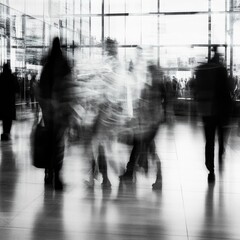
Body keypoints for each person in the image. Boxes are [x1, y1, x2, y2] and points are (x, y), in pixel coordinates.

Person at [120, 63, 163, 189]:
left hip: (150, 125)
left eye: (150, 73)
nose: (149, 76)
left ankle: (156, 176)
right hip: (147, 124)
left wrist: (145, 123)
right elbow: (142, 105)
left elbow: (151, 109)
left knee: (149, 150)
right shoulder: (148, 87)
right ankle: (131, 172)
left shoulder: (154, 89)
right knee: (141, 147)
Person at [38, 37, 72, 190]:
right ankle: (57, 178)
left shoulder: (47, 65)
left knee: (49, 142)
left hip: (48, 111)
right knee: (58, 145)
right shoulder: (64, 64)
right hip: (61, 112)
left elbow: (41, 88)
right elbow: (69, 87)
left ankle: (48, 174)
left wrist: (45, 105)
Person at [195, 48, 233, 182]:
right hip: (221, 110)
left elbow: (196, 89)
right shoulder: (221, 70)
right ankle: (221, 150)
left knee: (209, 140)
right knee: (221, 135)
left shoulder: (202, 70)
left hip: (206, 110)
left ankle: (211, 169)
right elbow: (227, 90)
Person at [0, 63, 19, 141]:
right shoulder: (12, 77)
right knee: (9, 118)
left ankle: (5, 132)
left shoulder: (1, 77)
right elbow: (17, 89)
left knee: (4, 118)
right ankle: (7, 132)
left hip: (2, 101)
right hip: (10, 101)